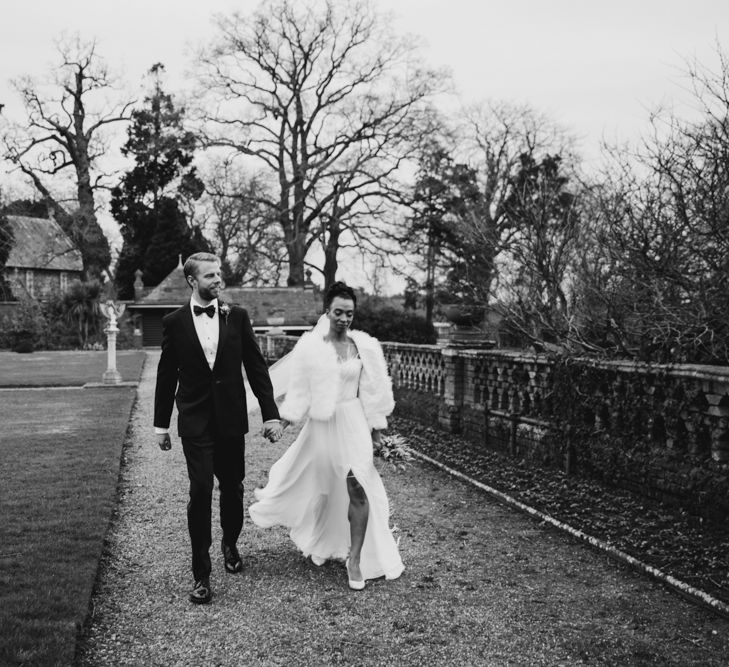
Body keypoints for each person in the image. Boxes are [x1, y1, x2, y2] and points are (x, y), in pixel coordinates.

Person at [248, 281, 405, 590]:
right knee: (326, 488)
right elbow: (300, 393)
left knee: (358, 486)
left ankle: (356, 559)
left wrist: (377, 433)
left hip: (354, 422)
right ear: (327, 312)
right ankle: (322, 539)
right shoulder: (311, 347)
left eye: (349, 313)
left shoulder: (365, 346)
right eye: (338, 312)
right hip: (323, 425)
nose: (344, 319)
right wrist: (283, 422)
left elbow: (372, 392)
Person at [153, 252, 283, 604]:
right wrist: (160, 426)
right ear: (192, 281)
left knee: (233, 487)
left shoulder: (237, 317)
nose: (218, 280)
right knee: (199, 491)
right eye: (210, 275)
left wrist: (271, 414)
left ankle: (230, 541)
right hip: (194, 421)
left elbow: (257, 369)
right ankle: (201, 573)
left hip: (230, 420)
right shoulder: (175, 322)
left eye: (219, 274)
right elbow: (166, 377)